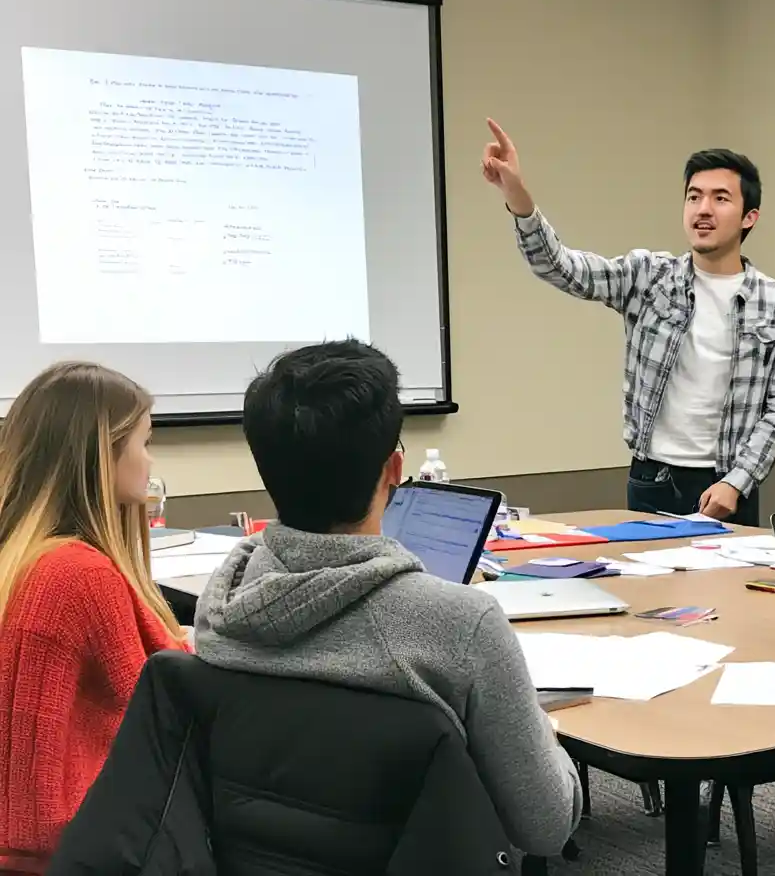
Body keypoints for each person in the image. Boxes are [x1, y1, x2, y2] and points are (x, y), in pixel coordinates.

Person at [192, 339, 582, 856]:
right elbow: (546, 827)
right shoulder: (463, 624)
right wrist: (544, 737)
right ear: (394, 469)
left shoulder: (222, 599)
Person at [482, 119, 775, 526]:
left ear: (749, 217)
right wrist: (516, 193)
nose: (703, 209)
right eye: (694, 197)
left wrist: (738, 481)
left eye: (720, 198)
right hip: (653, 476)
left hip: (728, 486)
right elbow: (561, 267)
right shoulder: (648, 277)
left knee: (726, 590)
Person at [0, 362, 188, 874]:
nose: (149, 462)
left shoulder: (25, 555)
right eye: (144, 443)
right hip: (72, 853)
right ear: (103, 454)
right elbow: (162, 714)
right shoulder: (78, 575)